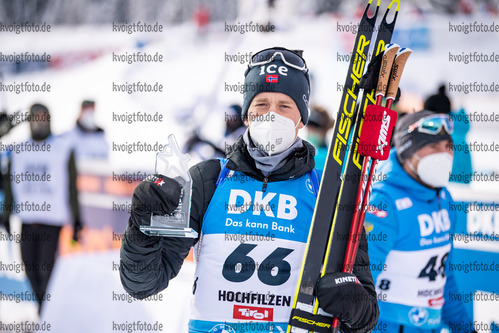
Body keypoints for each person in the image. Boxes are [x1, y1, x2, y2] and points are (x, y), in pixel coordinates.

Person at [120, 47, 379, 333]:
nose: (271, 115)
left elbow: (367, 316)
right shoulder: (208, 179)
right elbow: (143, 284)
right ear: (246, 115)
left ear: (301, 119)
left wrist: (352, 303)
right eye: (261, 104)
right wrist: (142, 225)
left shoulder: (328, 192)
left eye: (284, 106)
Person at [365, 110, 475, 332]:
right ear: (408, 152)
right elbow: (362, 282)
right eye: (433, 147)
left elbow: (444, 276)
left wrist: (464, 328)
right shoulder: (384, 201)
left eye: (448, 147)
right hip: (386, 325)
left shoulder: (443, 197)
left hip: (428, 325)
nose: (444, 155)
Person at [2, 103, 81, 312]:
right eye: (36, 117)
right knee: (29, 267)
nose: (40, 121)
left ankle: (48, 312)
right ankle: (42, 310)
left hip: (52, 221)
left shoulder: (62, 148)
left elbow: (72, 187)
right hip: (27, 221)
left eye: (43, 116)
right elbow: (11, 185)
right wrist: (6, 214)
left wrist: (77, 219)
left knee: (47, 271)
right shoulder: (18, 151)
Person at [304, 105, 334, 170]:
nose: (310, 133)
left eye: (312, 130)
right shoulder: (312, 154)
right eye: (308, 130)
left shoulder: (324, 157)